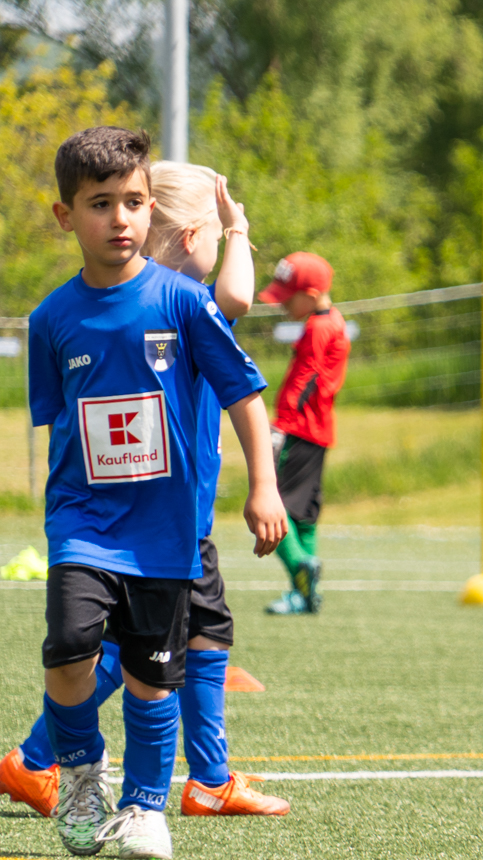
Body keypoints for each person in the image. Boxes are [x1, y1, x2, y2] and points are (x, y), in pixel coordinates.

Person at [0, 163, 292, 819]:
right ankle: (36, 758)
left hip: (180, 519)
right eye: (215, 238)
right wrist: (239, 228)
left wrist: (229, 229)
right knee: (131, 646)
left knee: (205, 632)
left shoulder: (175, 302)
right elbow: (239, 295)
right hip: (162, 525)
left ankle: (209, 778)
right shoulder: (179, 303)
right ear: (191, 238)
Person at [259, 250, 350, 616]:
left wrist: (281, 423)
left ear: (311, 296)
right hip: (319, 431)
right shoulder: (334, 321)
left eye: (287, 297)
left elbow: (305, 379)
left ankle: (301, 567)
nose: (282, 305)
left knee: (271, 507)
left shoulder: (318, 328)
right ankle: (306, 594)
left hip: (299, 430)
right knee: (304, 516)